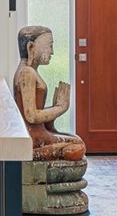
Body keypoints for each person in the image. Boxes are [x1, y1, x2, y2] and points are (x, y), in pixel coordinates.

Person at [12, 25, 86, 162]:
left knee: (77, 141)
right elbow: (32, 116)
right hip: (34, 139)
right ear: (31, 48)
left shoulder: (29, 71)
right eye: (49, 46)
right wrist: (60, 108)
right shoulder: (26, 73)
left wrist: (53, 114)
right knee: (78, 147)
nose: (52, 52)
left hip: (40, 135)